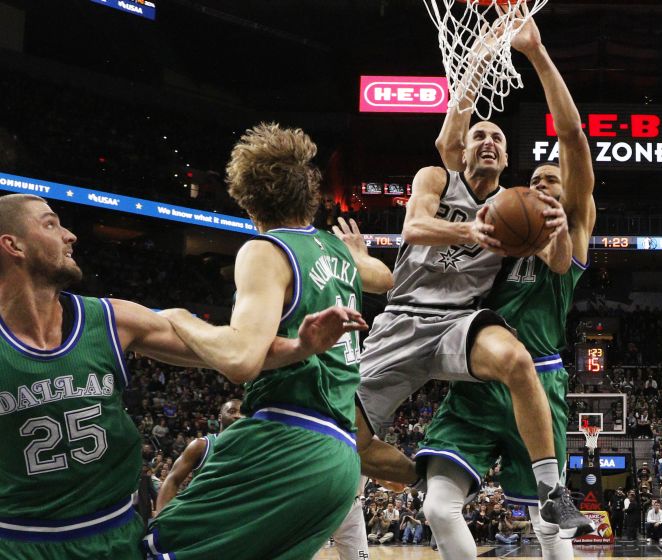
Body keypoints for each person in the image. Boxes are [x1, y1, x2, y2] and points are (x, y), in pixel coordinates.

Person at [355, 5, 583, 537]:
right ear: (464, 150)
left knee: (519, 362)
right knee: (347, 439)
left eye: (498, 139)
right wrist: (483, 52)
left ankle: (553, 491)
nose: (487, 140)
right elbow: (413, 227)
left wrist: (557, 228)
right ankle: (424, 476)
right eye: (479, 135)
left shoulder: (516, 207)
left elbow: (556, 261)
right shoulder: (437, 177)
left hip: (461, 321)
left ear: (506, 162)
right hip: (403, 320)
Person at [144, 124, 418, 560]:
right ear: (309, 194)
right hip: (341, 459)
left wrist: (182, 319)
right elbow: (385, 279)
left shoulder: (264, 251)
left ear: (248, 200)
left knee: (157, 549)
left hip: (288, 439)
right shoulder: (335, 250)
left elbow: (240, 358)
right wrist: (360, 255)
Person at [414, 11, 597, 560]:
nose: (541, 185)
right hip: (479, 370)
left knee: (550, 527)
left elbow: (572, 136)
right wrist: (476, 63)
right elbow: (454, 150)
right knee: (436, 507)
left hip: (539, 382)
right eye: (533, 180)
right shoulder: (495, 225)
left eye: (552, 182)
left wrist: (536, 54)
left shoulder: (575, 231)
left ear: (567, 198)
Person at [0, 193, 250, 559]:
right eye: (50, 223)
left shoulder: (111, 319)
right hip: (19, 543)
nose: (70, 235)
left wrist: (301, 343)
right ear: (13, 245)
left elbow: (233, 351)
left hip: (114, 536)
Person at [155, 399, 243, 511]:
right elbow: (172, 480)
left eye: (242, 413)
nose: (238, 416)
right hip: (203, 514)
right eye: (232, 411)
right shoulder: (201, 445)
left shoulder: (251, 448)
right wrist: (161, 518)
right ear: (220, 417)